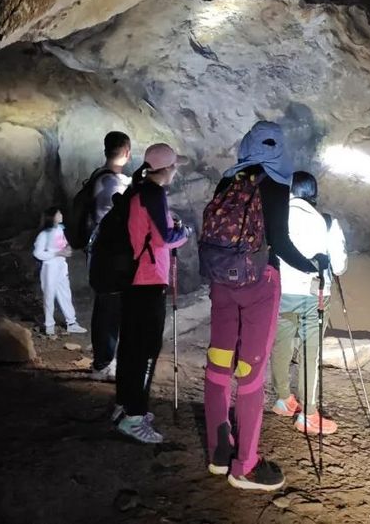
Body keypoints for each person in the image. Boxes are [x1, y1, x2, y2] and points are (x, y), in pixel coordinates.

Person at [203, 121, 326, 492]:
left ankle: (219, 454)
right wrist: (312, 265)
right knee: (250, 373)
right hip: (259, 283)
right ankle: (245, 465)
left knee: (218, 365)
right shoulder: (274, 184)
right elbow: (281, 243)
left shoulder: (228, 181)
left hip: (222, 283)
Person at [115, 143, 189, 443]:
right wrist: (184, 233)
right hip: (147, 281)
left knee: (131, 347)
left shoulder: (138, 190)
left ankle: (126, 406)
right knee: (145, 350)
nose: (176, 171)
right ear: (167, 168)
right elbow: (164, 238)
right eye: (175, 166)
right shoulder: (154, 193)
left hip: (134, 280)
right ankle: (133, 417)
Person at [270, 171, 348, 435]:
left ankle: (283, 399)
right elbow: (339, 266)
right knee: (309, 352)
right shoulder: (326, 222)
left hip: (279, 292)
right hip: (313, 296)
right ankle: (308, 414)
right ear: (313, 193)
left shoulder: (276, 217)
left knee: (281, 344)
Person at [81, 131, 132, 381]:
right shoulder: (115, 184)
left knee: (105, 307)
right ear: (127, 152)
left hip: (98, 253)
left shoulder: (98, 177)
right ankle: (103, 363)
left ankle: (104, 360)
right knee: (110, 309)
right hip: (111, 256)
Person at [32, 207, 88, 336]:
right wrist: (56, 253)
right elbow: (37, 253)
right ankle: (49, 326)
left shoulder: (61, 229)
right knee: (49, 296)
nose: (61, 215)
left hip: (61, 266)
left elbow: (65, 243)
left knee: (65, 294)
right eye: (58, 213)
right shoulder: (44, 234)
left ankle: (72, 323)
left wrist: (67, 249)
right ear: (52, 217)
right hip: (50, 268)